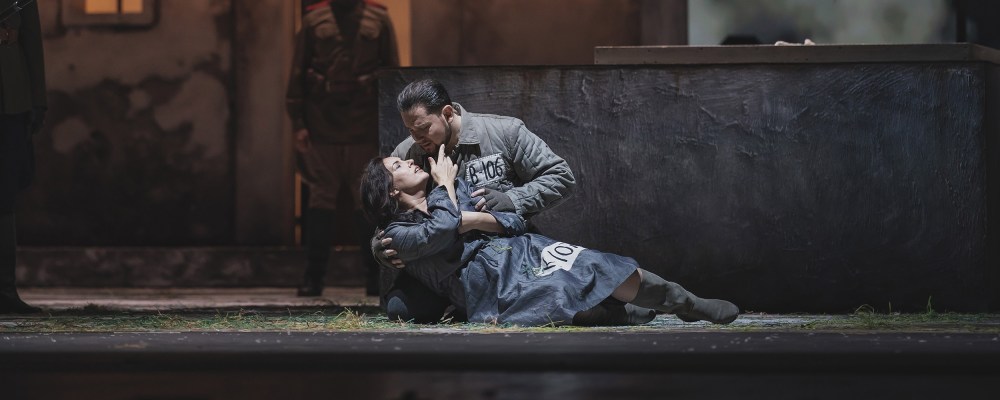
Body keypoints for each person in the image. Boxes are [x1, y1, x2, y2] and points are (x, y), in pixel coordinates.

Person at [361, 146, 740, 326]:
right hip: (491, 284)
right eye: (398, 165)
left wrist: (473, 218)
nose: (409, 160)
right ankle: (626, 312)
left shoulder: (458, 189)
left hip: (522, 250)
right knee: (564, 302)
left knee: (606, 269)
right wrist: (446, 188)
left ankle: (686, 303)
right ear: (391, 189)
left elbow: (513, 222)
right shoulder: (397, 235)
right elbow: (442, 228)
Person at [371, 78, 580, 322]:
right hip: (438, 260)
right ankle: (467, 302)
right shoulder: (407, 154)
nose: (417, 138)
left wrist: (513, 199)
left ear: (447, 113)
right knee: (402, 309)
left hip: (499, 252)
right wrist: (379, 245)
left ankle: (473, 304)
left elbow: (561, 176)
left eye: (424, 128)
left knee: (556, 299)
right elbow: (388, 208)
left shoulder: (505, 132)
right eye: (410, 130)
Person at [286, 0, 399, 296]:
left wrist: (389, 124)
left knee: (367, 201)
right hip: (322, 124)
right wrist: (298, 122)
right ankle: (314, 277)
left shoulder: (378, 18)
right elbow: (297, 71)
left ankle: (375, 278)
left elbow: (392, 73)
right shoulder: (314, 20)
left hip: (365, 125)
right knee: (321, 199)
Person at [0, 0, 45, 314]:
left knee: (5, 193)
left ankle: (4, 290)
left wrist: (37, 99)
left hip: (9, 100)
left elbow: (31, 38)